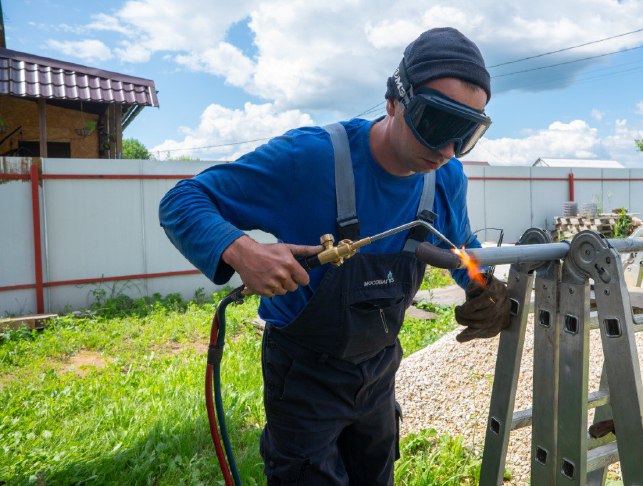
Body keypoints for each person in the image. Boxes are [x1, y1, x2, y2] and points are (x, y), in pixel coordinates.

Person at [159, 27, 511, 485]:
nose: (447, 151)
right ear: (394, 101)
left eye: (465, 135)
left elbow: (459, 245)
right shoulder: (309, 159)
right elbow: (182, 201)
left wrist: (483, 286)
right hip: (303, 375)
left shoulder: (446, 178)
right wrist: (242, 251)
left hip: (380, 367)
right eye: (437, 125)